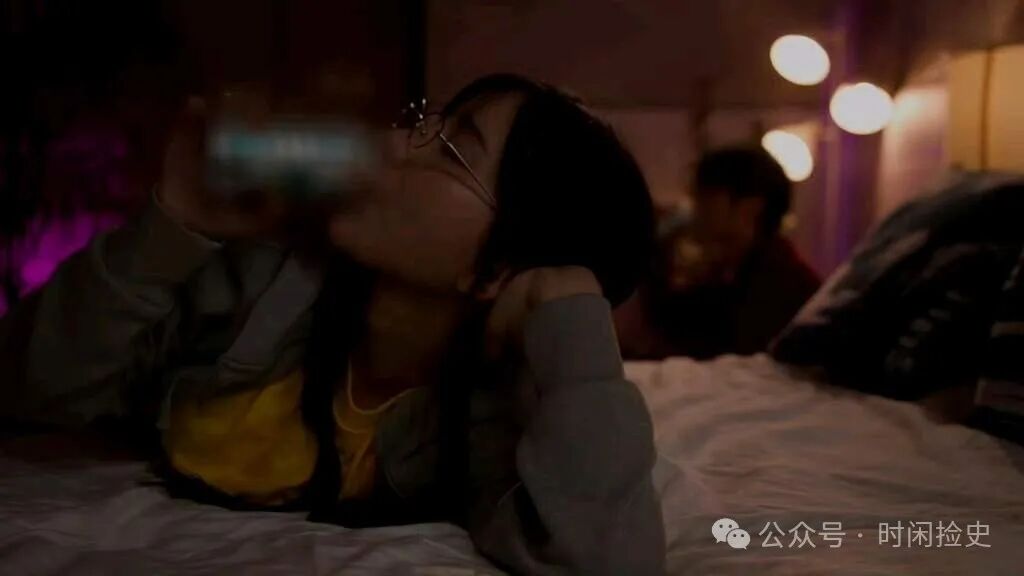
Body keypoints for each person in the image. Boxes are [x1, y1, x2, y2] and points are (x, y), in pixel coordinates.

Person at [0, 74, 665, 575]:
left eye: (452, 149)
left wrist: (572, 312)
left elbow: (605, 560)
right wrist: (170, 226)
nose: (393, 144)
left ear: (496, 271)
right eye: (423, 122)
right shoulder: (267, 277)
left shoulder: (488, 416)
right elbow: (35, 391)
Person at [616, 146, 821, 360]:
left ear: (749, 208)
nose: (694, 209)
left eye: (705, 198)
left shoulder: (781, 283)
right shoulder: (724, 271)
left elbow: (717, 354)